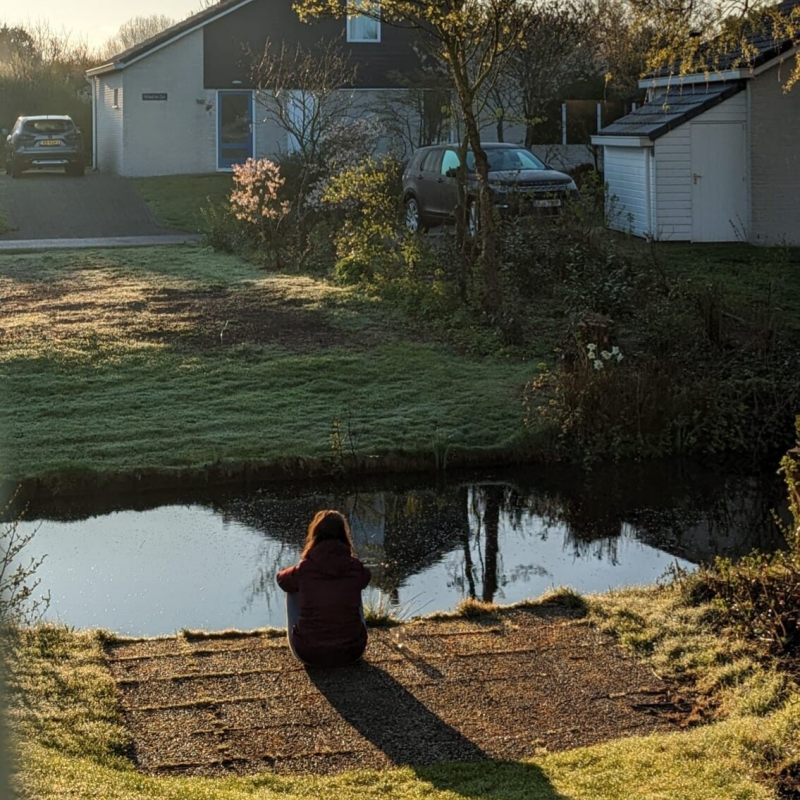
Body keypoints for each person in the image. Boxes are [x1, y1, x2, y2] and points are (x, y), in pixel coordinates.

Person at [277, 509, 371, 667]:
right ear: (343, 535)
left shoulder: (304, 568)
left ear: (315, 535)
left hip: (309, 653)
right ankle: (348, 633)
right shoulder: (354, 566)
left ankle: (305, 633)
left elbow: (281, 580)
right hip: (352, 651)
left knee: (292, 589)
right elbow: (366, 577)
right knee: (353, 584)